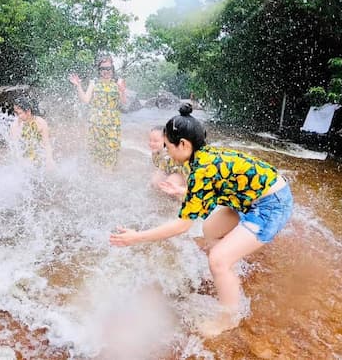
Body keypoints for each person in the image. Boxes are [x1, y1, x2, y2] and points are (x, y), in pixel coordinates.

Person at [110, 103, 293, 337]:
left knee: (217, 259)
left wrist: (137, 238)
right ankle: (228, 272)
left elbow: (182, 225)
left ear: (184, 144)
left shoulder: (201, 169)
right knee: (210, 229)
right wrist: (183, 193)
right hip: (250, 197)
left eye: (168, 147)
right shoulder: (203, 157)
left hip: (271, 204)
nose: (167, 153)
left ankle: (229, 317)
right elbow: (212, 191)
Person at [68, 55, 127, 168]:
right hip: (95, 124)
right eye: (103, 68)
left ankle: (109, 179)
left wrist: (123, 91)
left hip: (112, 125)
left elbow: (124, 102)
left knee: (111, 153)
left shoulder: (119, 81)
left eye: (108, 68)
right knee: (96, 154)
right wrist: (78, 86)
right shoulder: (94, 82)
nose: (106, 71)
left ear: (112, 68)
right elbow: (85, 100)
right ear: (99, 70)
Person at [9, 96, 55, 169]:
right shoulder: (15, 125)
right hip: (25, 161)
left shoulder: (40, 123)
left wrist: (49, 160)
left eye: (20, 113)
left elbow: (46, 144)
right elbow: (15, 147)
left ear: (28, 112)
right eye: (16, 113)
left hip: (40, 157)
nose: (18, 116)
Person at [148, 125, 188, 200]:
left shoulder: (171, 154)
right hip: (169, 170)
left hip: (180, 173)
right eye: (150, 140)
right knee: (155, 181)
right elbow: (160, 169)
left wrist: (184, 188)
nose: (151, 143)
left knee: (170, 184)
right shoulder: (156, 153)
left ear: (166, 141)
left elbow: (186, 170)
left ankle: (178, 201)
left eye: (155, 141)